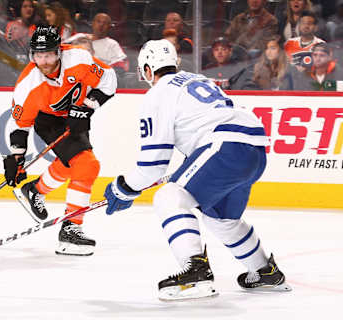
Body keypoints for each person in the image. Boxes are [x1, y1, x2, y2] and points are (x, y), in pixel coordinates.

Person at [103, 39, 292, 301]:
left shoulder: (157, 94)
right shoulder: (196, 79)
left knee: (169, 197)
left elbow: (153, 166)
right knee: (220, 218)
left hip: (224, 146)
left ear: (147, 70)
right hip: (254, 147)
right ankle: (264, 271)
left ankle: (196, 273)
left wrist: (122, 188)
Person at [4, 26, 116, 256]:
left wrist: (86, 107)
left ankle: (35, 191)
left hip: (76, 113)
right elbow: (19, 126)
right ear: (32, 55)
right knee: (87, 165)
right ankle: (71, 229)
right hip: (49, 121)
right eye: (39, 55)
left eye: (49, 54)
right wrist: (16, 159)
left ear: (59, 52)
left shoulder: (79, 59)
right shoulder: (28, 86)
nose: (44, 61)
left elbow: (109, 80)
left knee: (70, 163)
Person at [233, 35, 299, 90]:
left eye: (273, 48)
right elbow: (247, 88)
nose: (269, 52)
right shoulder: (256, 68)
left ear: (281, 51)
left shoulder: (290, 70)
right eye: (267, 48)